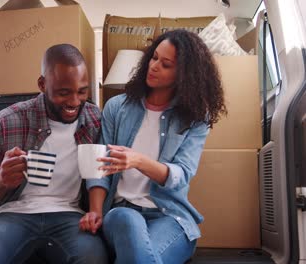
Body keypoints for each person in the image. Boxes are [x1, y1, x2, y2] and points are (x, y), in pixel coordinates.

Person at [79, 29, 227, 263]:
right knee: (128, 220)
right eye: (154, 57)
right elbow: (99, 167)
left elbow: (182, 175)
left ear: (184, 75)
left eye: (166, 64)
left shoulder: (195, 118)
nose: (154, 65)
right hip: (120, 213)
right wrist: (96, 211)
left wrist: (138, 161)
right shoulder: (117, 107)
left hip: (169, 218)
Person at [0, 43, 108, 264]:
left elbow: (101, 174)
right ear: (42, 84)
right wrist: (0, 180)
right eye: (64, 93)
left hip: (69, 215)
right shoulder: (7, 120)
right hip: (12, 214)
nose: (74, 102)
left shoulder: (94, 119)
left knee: (93, 257)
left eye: (82, 91)